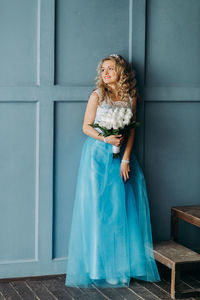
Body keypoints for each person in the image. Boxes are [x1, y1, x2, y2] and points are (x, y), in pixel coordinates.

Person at [65, 54, 160, 288]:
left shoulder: (131, 97)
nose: (105, 73)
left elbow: (132, 131)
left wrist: (126, 159)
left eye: (110, 69)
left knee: (120, 210)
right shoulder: (97, 95)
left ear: (122, 72)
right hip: (96, 158)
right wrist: (106, 138)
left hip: (121, 160)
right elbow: (85, 127)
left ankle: (122, 268)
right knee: (98, 210)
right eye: (103, 69)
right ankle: (98, 268)